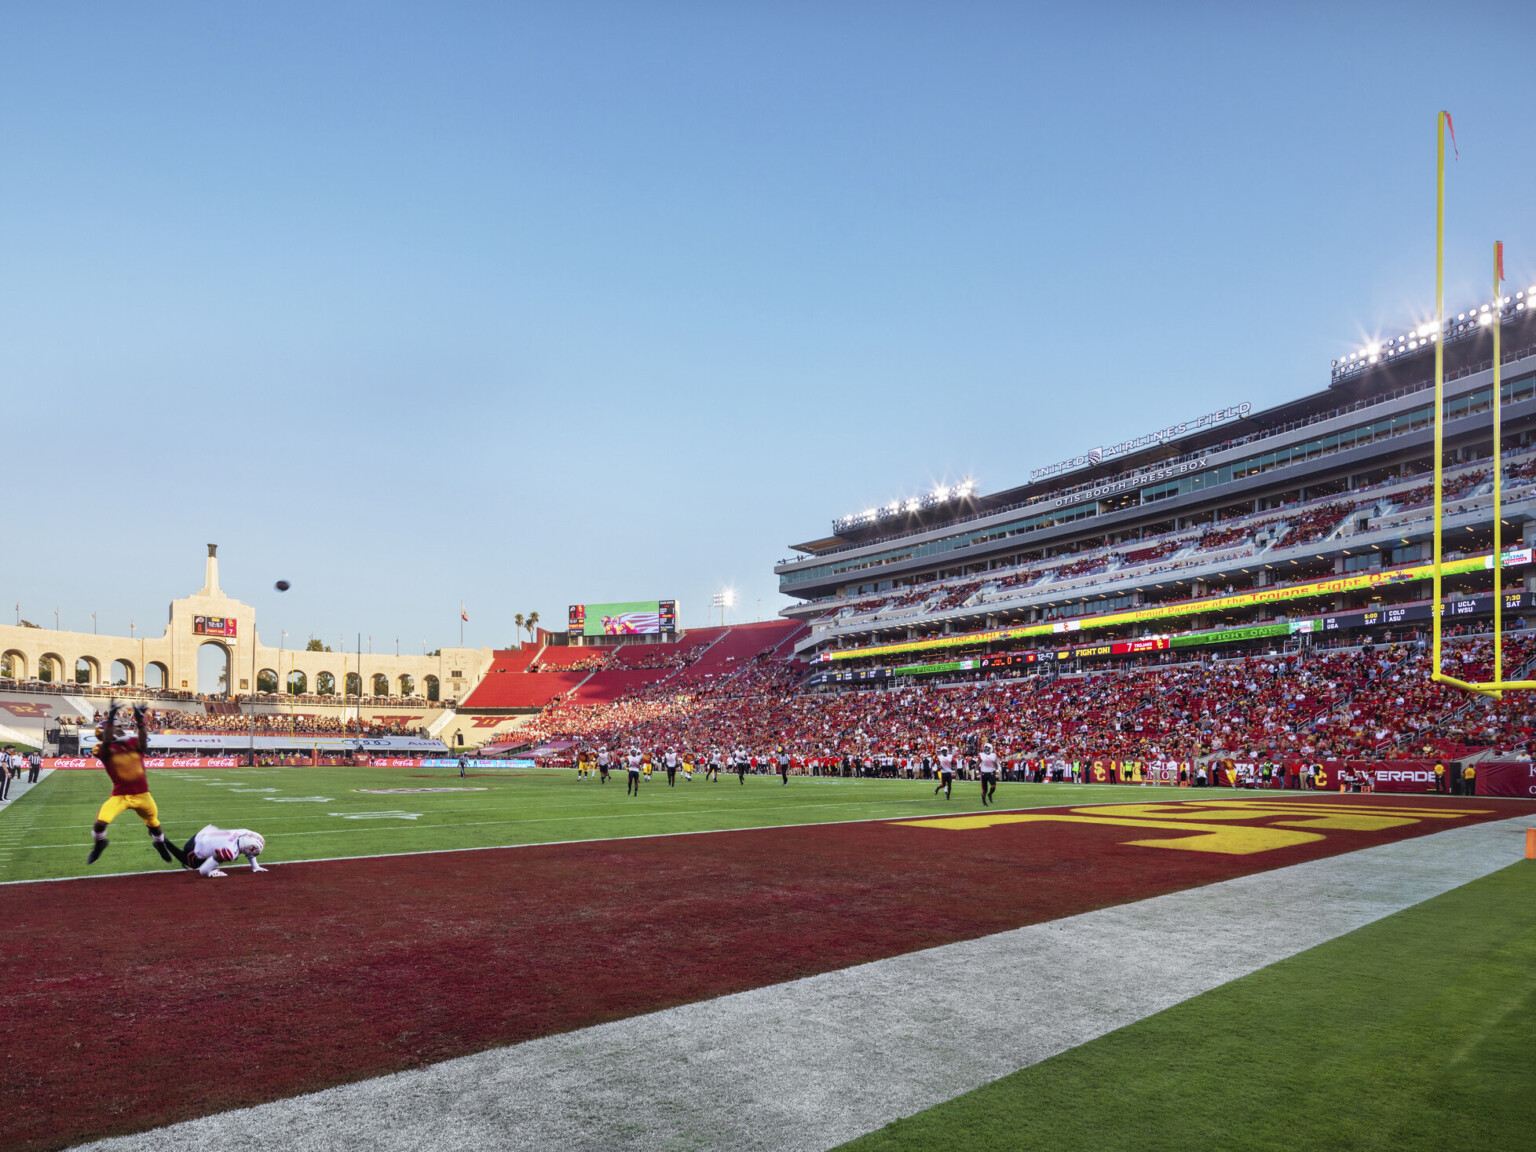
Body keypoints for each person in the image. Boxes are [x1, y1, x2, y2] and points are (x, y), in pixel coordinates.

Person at [87, 703, 181, 866]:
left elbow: (144, 742)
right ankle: (99, 844)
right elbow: (108, 741)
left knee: (154, 825)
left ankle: (159, 844)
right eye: (117, 727)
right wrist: (110, 718)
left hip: (142, 794)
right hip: (120, 796)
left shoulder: (131, 742)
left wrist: (140, 721)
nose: (121, 729)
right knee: (100, 822)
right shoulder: (101, 748)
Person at [181, 825, 266, 878]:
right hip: (196, 848)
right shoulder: (231, 851)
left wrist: (255, 866)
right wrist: (211, 872)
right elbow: (203, 870)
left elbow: (246, 845)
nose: (252, 854)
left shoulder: (244, 832)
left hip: (206, 832)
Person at [979, 742, 999, 806]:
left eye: (988, 749)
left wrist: (997, 771)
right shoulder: (981, 755)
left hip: (991, 773)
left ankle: (990, 794)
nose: (986, 750)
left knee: (993, 786)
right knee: (985, 790)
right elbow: (977, 764)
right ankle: (984, 802)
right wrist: (977, 772)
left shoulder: (993, 755)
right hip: (983, 773)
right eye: (986, 748)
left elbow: (995, 764)